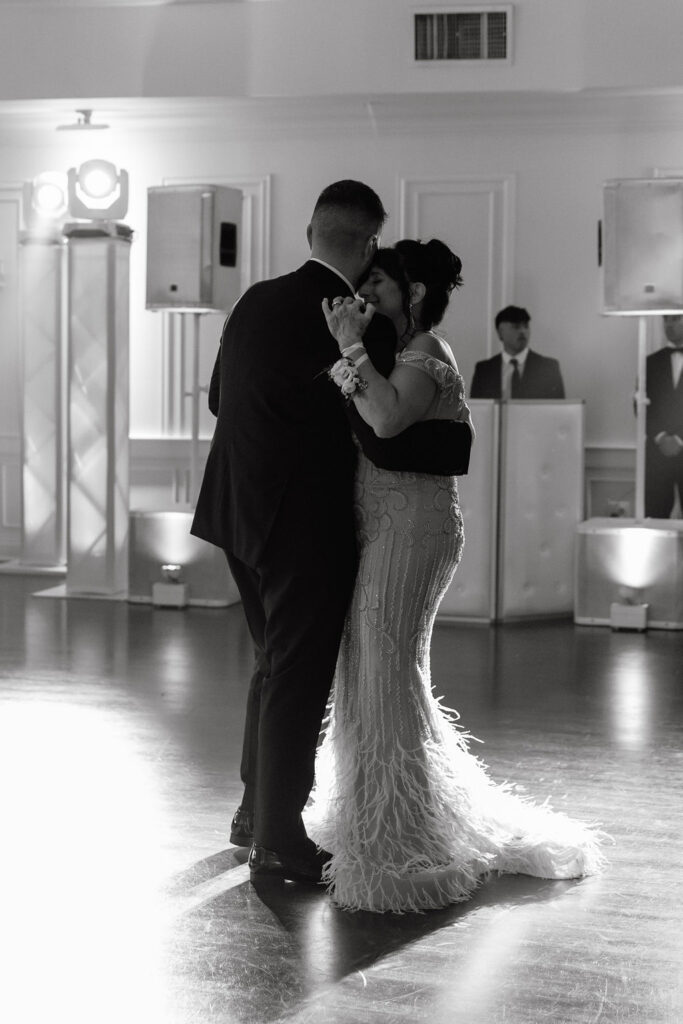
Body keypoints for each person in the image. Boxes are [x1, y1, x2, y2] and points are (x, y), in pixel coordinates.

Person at [305, 240, 604, 913]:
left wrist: (348, 348)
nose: (365, 292)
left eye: (378, 282)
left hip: (415, 528)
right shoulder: (394, 352)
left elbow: (384, 417)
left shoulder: (427, 353)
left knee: (386, 665)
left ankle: (407, 832)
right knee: (365, 667)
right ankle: (374, 813)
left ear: (412, 293)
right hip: (377, 521)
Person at [191, 182, 470, 888]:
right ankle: (281, 839)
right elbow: (378, 431)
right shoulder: (362, 324)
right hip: (302, 521)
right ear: (368, 241)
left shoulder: (254, 298)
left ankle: (254, 814)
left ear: (311, 229)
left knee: (269, 660)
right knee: (298, 671)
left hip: (233, 509)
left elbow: (222, 397)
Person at [470, 305, 565, 399]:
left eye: (526, 326)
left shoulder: (548, 367)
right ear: (500, 332)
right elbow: (477, 410)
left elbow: (557, 410)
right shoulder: (484, 370)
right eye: (516, 327)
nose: (522, 331)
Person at [644, 314, 683, 518]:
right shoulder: (650, 362)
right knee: (654, 520)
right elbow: (640, 405)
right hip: (657, 456)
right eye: (666, 319)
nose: (669, 324)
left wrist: (679, 439)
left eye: (676, 318)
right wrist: (660, 437)